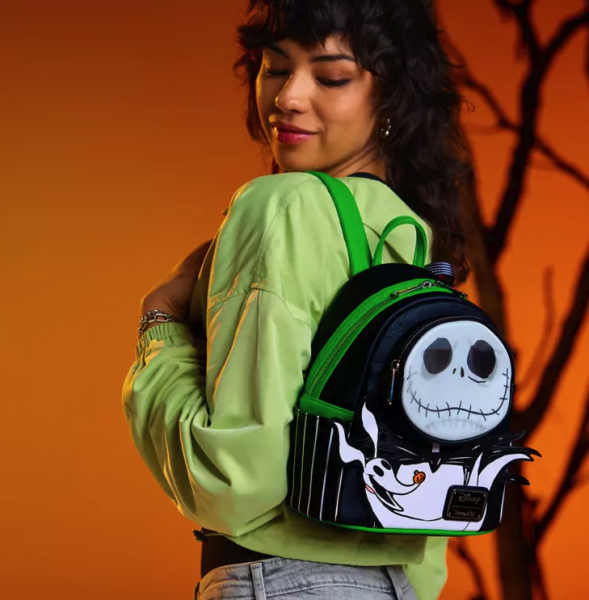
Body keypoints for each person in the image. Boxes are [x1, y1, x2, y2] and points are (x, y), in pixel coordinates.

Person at [122, 0, 472, 598]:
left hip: (280, 581)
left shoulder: (281, 206)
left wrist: (160, 324)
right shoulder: (409, 237)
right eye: (276, 68)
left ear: (390, 97)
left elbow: (234, 483)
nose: (288, 97)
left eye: (331, 77)